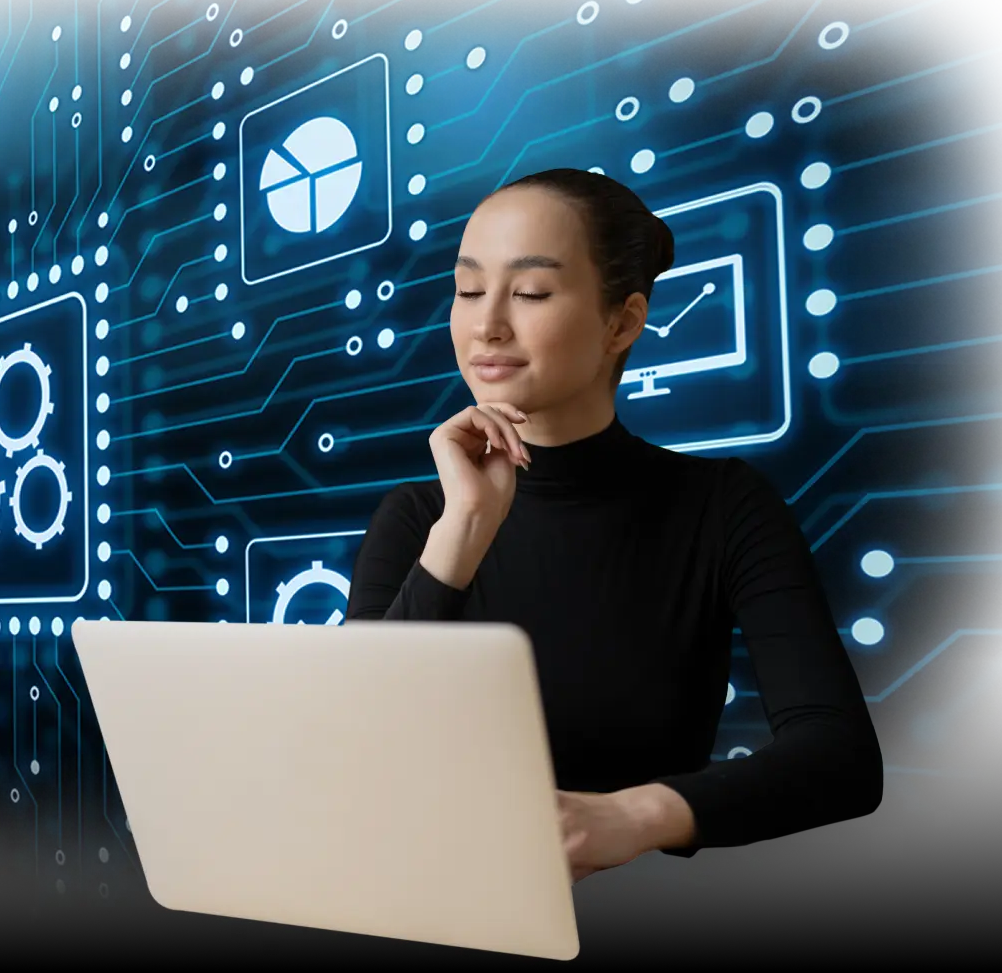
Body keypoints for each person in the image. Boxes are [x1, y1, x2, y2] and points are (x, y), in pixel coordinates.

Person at [346, 168, 881, 960]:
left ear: (622, 322)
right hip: (430, 924)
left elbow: (834, 753)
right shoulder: (419, 515)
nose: (486, 327)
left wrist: (624, 820)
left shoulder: (724, 505)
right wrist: (461, 530)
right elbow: (348, 750)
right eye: (466, 292)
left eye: (529, 294)